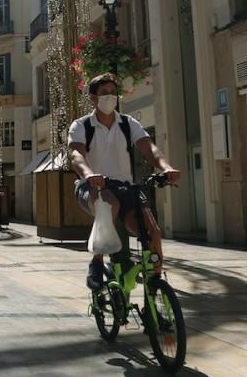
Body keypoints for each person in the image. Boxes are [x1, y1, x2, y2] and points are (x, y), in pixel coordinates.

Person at [67, 73, 180, 291]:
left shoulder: (128, 124)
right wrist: (89, 174)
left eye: (113, 93)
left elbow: (149, 148)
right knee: (110, 202)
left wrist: (165, 167)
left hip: (125, 188)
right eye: (104, 93)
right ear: (93, 98)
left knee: (152, 231)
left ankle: (155, 281)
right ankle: (97, 261)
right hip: (92, 187)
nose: (110, 97)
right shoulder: (82, 126)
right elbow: (75, 155)